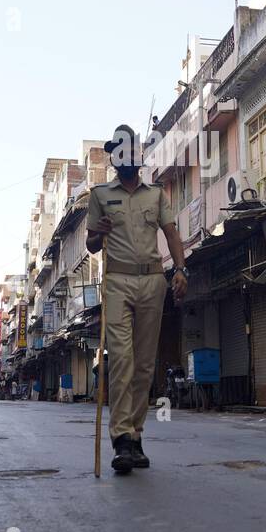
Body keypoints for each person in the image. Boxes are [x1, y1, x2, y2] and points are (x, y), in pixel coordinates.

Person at [86, 124, 187, 474]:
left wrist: (181, 271)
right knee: (122, 360)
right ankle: (121, 441)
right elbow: (91, 245)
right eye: (119, 152)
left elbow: (171, 233)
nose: (125, 159)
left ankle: (136, 435)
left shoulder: (156, 195)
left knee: (145, 364)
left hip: (153, 281)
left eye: (130, 152)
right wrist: (96, 235)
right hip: (117, 280)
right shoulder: (99, 195)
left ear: (138, 157)